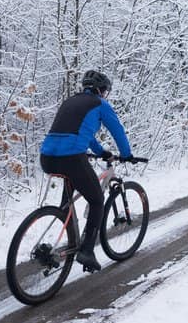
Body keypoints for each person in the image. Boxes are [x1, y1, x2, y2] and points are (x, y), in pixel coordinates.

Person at [39, 70, 133, 272]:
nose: (105, 94)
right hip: (71, 158)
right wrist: (126, 154)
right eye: (105, 91)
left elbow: (83, 132)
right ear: (100, 90)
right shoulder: (100, 105)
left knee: (68, 203)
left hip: (47, 157)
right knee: (97, 200)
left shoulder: (70, 102)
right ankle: (87, 250)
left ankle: (65, 244)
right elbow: (117, 130)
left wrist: (100, 151)